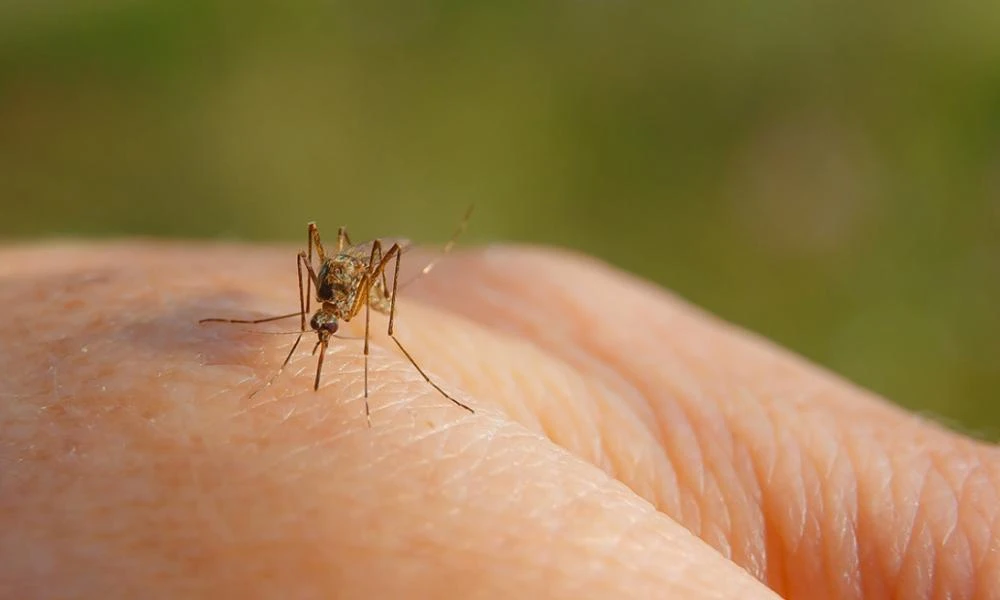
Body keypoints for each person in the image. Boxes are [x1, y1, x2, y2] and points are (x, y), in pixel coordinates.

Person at [1, 243, 996, 599]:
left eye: (322, 315)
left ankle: (384, 333)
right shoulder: (315, 295)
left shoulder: (347, 291)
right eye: (319, 315)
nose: (317, 328)